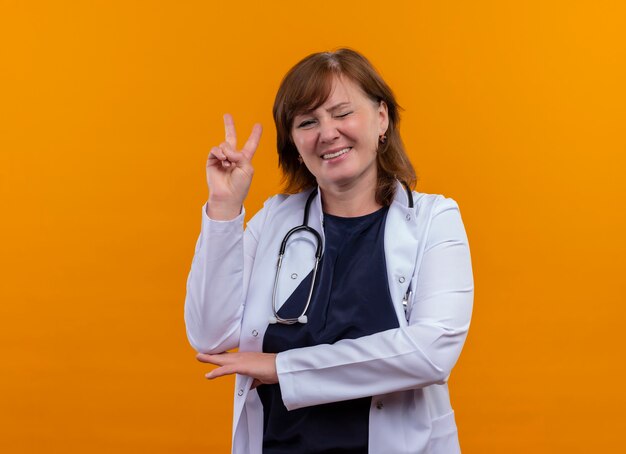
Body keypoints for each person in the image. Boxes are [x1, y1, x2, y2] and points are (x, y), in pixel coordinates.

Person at [184, 48, 474, 454]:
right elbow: (209, 334)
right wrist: (224, 208)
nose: (328, 133)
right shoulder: (273, 222)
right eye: (308, 122)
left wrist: (284, 368)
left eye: (342, 113)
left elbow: (430, 353)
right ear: (295, 144)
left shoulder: (433, 220)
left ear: (381, 118)